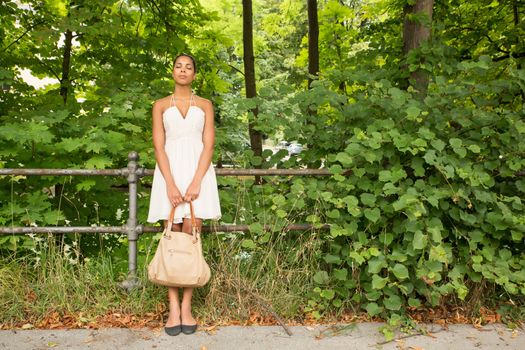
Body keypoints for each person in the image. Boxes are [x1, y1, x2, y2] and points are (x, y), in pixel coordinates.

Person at [147, 54, 221, 336]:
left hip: (197, 175)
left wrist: (195, 182)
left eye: (188, 67)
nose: (183, 70)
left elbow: (208, 145)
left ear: (194, 74)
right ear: (173, 71)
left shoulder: (204, 105)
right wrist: (170, 184)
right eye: (178, 65)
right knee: (171, 236)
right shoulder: (160, 105)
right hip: (169, 174)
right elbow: (159, 146)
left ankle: (187, 307)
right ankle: (173, 308)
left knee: (191, 237)